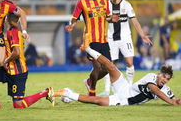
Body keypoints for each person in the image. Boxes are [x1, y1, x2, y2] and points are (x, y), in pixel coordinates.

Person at [52, 33, 181, 106]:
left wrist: (177, 101)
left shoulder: (166, 89)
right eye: (163, 77)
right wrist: (173, 103)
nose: (165, 80)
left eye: (167, 79)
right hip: (125, 87)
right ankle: (87, 48)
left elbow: (175, 99)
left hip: (124, 100)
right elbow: (157, 93)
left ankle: (62, 93)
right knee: (111, 66)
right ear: (159, 75)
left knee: (95, 100)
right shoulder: (151, 77)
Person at [0, 13, 54, 109]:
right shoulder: (14, 32)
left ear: (6, 20)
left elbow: (16, 52)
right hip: (7, 69)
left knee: (18, 105)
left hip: (18, 72)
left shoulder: (13, 32)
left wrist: (6, 60)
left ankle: (46, 92)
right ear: (18, 21)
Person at [65, 0, 119, 96]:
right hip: (90, 40)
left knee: (107, 68)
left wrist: (112, 19)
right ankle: (92, 93)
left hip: (103, 40)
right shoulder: (81, 2)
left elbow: (108, 17)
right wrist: (71, 25)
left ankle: (89, 82)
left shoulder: (104, 0)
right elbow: (75, 18)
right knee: (97, 67)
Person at [98, 0, 152, 97]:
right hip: (111, 38)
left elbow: (134, 21)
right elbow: (102, 20)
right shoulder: (106, 5)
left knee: (129, 62)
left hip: (125, 38)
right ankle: (107, 90)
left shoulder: (126, 5)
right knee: (108, 64)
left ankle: (129, 88)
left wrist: (142, 35)